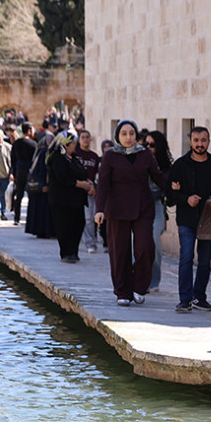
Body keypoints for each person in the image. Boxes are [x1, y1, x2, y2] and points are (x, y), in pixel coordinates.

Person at [94, 120, 168, 307]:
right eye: (124, 134)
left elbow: (158, 176)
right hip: (117, 208)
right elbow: (103, 184)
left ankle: (138, 286)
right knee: (119, 252)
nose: (128, 137)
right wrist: (99, 210)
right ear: (118, 136)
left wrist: (176, 189)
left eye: (132, 133)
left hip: (142, 206)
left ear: (136, 136)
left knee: (146, 247)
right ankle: (122, 291)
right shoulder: (110, 156)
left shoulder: (144, 155)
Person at [167, 126, 211, 313]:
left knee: (204, 261)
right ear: (190, 142)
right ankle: (184, 299)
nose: (200, 144)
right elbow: (169, 194)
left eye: (203, 140)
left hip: (208, 220)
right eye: (196, 140)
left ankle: (199, 297)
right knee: (186, 257)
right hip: (187, 219)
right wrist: (185, 198)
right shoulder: (180, 165)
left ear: (208, 141)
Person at [46, 130, 93, 263]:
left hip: (76, 200)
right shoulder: (57, 159)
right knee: (64, 226)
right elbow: (63, 178)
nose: (74, 145)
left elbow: (82, 172)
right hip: (62, 200)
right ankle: (66, 253)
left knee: (78, 224)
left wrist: (88, 182)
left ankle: (74, 251)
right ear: (65, 145)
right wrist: (81, 184)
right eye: (72, 143)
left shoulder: (74, 158)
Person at [143, 130, 173, 293]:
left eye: (152, 145)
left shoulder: (165, 167)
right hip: (139, 206)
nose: (148, 147)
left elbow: (166, 187)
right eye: (146, 144)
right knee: (138, 243)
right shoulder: (139, 161)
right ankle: (140, 279)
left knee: (154, 242)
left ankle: (154, 280)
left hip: (156, 206)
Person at [72, 130, 102, 254]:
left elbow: (97, 175)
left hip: (89, 189)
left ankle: (90, 243)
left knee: (89, 218)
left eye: (87, 137)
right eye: (83, 137)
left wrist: (93, 187)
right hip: (75, 189)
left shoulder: (94, 156)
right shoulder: (74, 154)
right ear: (79, 140)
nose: (85, 139)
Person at [9, 123, 37, 226]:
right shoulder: (34, 144)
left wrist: (12, 172)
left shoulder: (16, 143)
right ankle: (30, 218)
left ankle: (17, 218)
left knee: (19, 195)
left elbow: (13, 159)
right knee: (31, 195)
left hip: (19, 171)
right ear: (29, 130)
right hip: (30, 171)